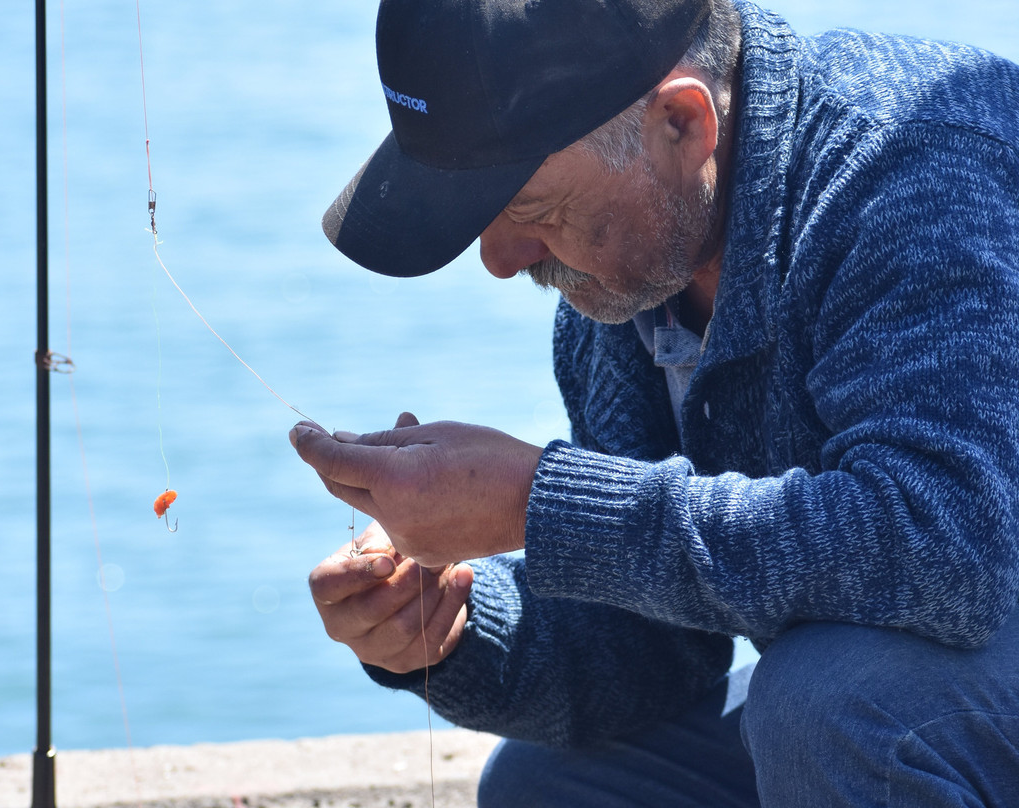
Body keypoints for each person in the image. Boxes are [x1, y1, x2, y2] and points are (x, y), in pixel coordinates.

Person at [292, 0, 1019, 804]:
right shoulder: (622, 282)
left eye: (530, 211)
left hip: (957, 633)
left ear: (681, 122)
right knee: (554, 787)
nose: (500, 261)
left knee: (828, 708)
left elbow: (948, 547)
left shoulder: (914, 165)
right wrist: (456, 628)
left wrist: (541, 504)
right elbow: (660, 644)